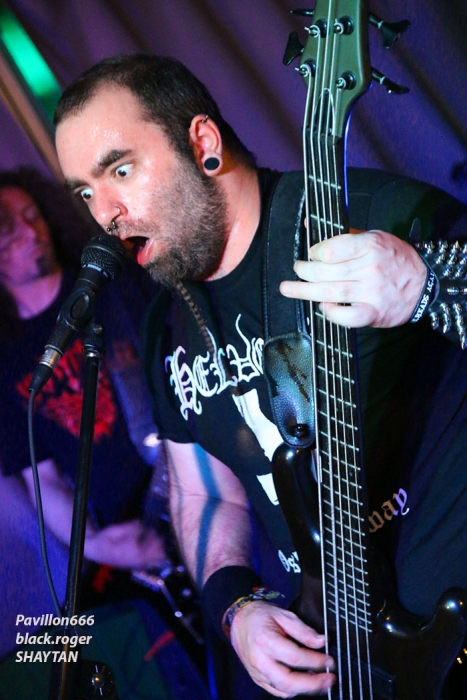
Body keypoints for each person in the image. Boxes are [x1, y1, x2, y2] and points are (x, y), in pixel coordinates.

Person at [53, 54, 467, 698]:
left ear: (203, 143)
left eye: (121, 170)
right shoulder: (166, 325)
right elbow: (203, 497)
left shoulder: (375, 215)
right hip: (352, 670)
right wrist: (235, 606)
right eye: (85, 192)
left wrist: (428, 288)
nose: (104, 213)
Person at [0, 166, 167, 594]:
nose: (30, 231)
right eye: (8, 228)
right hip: (137, 535)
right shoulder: (6, 365)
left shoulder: (113, 285)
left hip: (200, 481)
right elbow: (43, 482)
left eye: (33, 215)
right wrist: (96, 545)